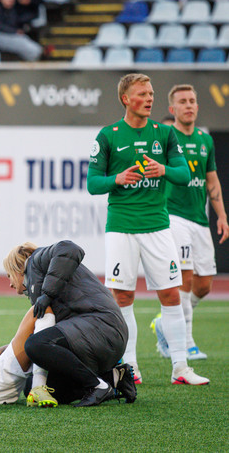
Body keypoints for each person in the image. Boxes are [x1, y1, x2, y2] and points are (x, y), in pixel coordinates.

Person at [87, 73, 209, 386]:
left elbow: (184, 175)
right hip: (122, 226)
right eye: (142, 94)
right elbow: (92, 183)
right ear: (126, 99)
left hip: (157, 225)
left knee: (170, 293)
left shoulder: (165, 133)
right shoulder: (108, 135)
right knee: (123, 296)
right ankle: (130, 368)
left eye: (151, 93)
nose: (149, 98)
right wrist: (117, 179)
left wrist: (163, 169)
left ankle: (180, 367)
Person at [4, 241, 136, 407]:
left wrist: (47, 294)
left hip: (102, 327)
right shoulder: (39, 278)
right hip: (98, 336)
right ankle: (114, 379)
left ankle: (98, 386)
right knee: (36, 386)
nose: (10, 284)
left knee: (35, 345)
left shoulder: (36, 260)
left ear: (17, 268)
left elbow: (70, 248)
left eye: (8, 275)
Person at [152, 84, 229, 360]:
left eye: (192, 101)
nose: (188, 105)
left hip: (199, 219)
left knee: (204, 284)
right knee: (184, 278)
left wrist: (222, 215)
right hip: (174, 216)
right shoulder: (166, 138)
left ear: (197, 106)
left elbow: (211, 180)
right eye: (182, 101)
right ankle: (186, 342)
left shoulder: (205, 140)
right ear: (172, 109)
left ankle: (166, 323)